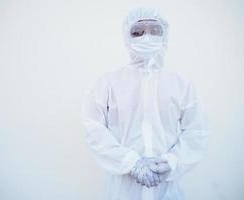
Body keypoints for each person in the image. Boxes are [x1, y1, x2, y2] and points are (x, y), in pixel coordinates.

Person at [81, 6, 210, 200]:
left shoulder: (181, 84)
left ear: (165, 35)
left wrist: (171, 162)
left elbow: (197, 130)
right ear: (127, 36)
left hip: (167, 189)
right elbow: (93, 128)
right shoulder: (108, 83)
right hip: (123, 189)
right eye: (138, 32)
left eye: (154, 31)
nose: (147, 37)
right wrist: (129, 162)